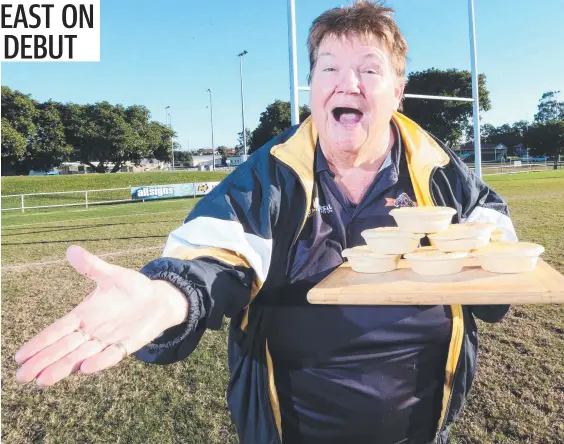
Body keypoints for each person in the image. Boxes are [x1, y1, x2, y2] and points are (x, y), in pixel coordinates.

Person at [14, 2, 517, 443]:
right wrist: (169, 293)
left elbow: (491, 226)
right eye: (328, 68)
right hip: (291, 428)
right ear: (313, 85)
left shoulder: (438, 168)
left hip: (422, 430)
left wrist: (488, 260)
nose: (347, 83)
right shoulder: (271, 173)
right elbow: (215, 250)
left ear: (398, 91)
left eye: (369, 69)